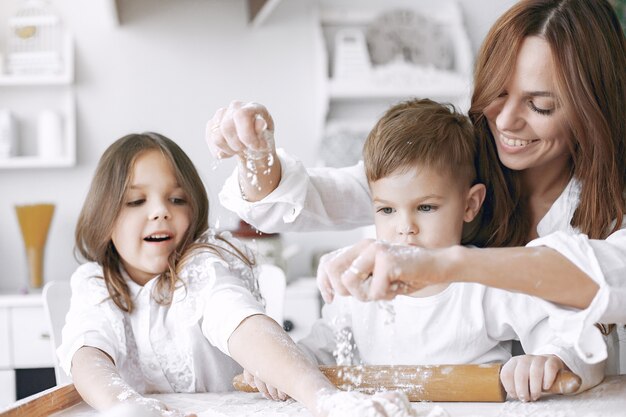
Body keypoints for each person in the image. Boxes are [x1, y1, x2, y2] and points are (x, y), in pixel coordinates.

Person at [206, 0, 626, 374]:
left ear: (593, 107)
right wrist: (255, 154)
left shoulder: (612, 198)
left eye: (541, 105)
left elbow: (608, 279)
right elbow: (316, 196)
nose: (505, 121)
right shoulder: (453, 163)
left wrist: (449, 264)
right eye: (497, 92)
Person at [242, 98, 605, 402]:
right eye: (386, 209)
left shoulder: (483, 282)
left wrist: (550, 359)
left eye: (426, 207)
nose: (405, 227)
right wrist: (279, 367)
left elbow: (570, 335)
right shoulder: (360, 289)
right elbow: (319, 350)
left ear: (470, 204)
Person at [57, 132, 411, 417]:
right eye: (136, 202)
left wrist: (323, 399)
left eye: (177, 199)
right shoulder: (95, 281)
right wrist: (127, 406)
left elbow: (242, 323)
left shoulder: (203, 264)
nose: (161, 212)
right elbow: (88, 356)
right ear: (104, 216)